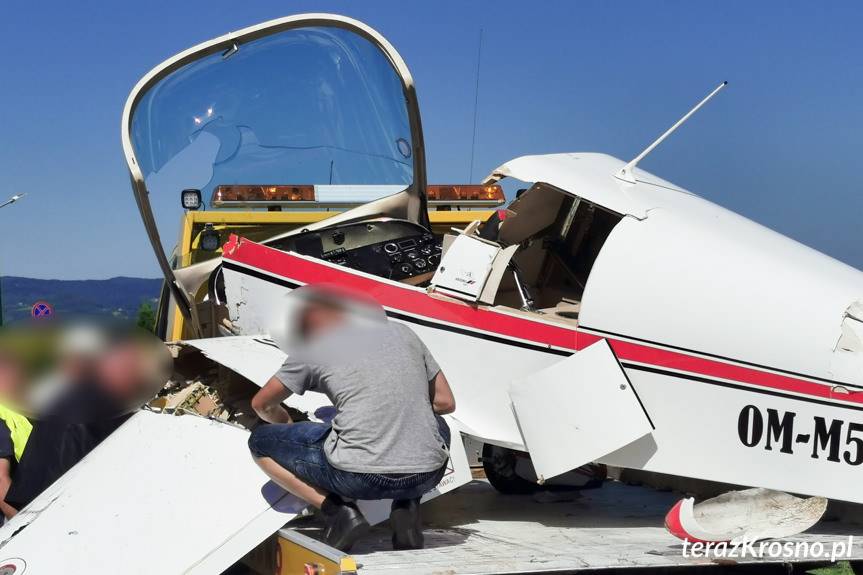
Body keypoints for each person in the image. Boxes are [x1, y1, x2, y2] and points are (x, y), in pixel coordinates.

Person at [248, 287, 455, 552]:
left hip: (357, 477)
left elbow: (262, 404)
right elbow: (445, 402)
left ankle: (339, 513)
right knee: (436, 423)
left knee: (259, 442)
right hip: (426, 475)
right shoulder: (404, 332)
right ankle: (407, 505)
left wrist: (287, 425)